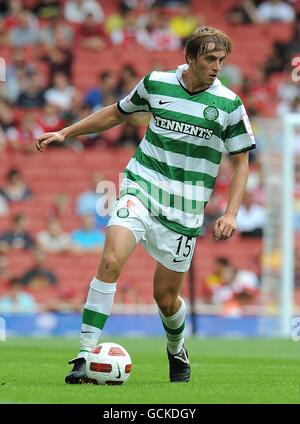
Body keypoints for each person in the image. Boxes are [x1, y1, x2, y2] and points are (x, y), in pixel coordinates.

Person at [35, 26, 256, 384]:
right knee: (109, 261)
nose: (217, 67)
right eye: (210, 59)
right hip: (141, 188)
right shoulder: (156, 83)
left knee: (166, 299)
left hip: (185, 209)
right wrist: (66, 132)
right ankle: (84, 354)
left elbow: (241, 162)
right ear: (190, 57)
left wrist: (231, 212)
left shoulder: (228, 104)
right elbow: (116, 112)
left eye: (221, 60)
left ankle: (176, 347)